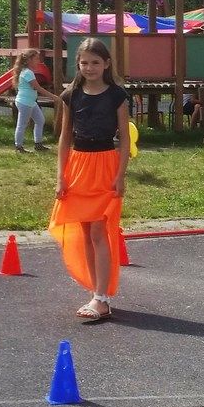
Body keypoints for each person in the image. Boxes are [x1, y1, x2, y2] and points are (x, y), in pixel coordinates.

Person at [49, 38, 130, 321]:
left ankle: (102, 298)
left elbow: (125, 138)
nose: (89, 67)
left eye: (95, 62)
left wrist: (120, 175)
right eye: (84, 62)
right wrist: (61, 177)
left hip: (105, 166)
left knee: (98, 231)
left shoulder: (117, 96)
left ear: (106, 64)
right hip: (78, 166)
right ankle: (97, 293)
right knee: (85, 232)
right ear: (78, 64)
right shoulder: (71, 95)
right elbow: (64, 138)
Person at [13, 48, 58, 153]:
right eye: (36, 59)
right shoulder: (28, 73)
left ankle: (38, 144)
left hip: (30, 102)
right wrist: (53, 97)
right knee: (22, 124)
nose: (38, 61)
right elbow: (38, 88)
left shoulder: (27, 72)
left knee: (40, 120)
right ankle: (18, 147)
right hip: (25, 102)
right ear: (29, 60)